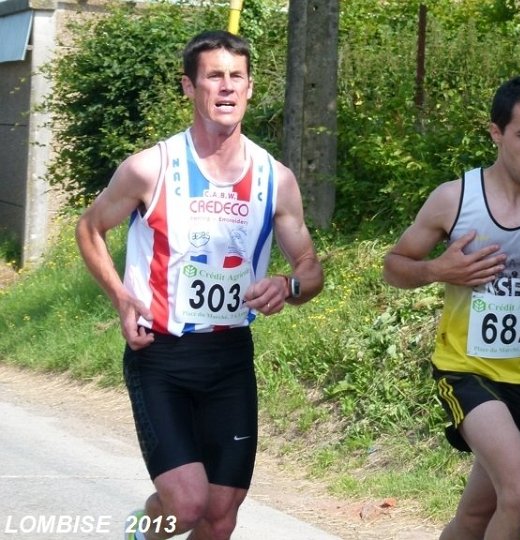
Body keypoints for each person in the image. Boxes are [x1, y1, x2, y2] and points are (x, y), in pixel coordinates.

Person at [75, 30, 324, 540]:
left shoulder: (275, 179)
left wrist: (288, 286)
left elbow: (309, 268)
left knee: (220, 514)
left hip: (229, 357)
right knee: (186, 505)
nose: (227, 87)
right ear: (190, 87)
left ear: (250, 88)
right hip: (160, 355)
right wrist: (121, 297)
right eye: (214, 76)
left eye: (237, 77)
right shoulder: (150, 168)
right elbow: (89, 229)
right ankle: (144, 531)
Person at [382, 74, 520, 539]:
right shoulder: (455, 199)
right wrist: (439, 270)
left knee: (474, 517)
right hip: (465, 371)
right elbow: (394, 266)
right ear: (496, 133)